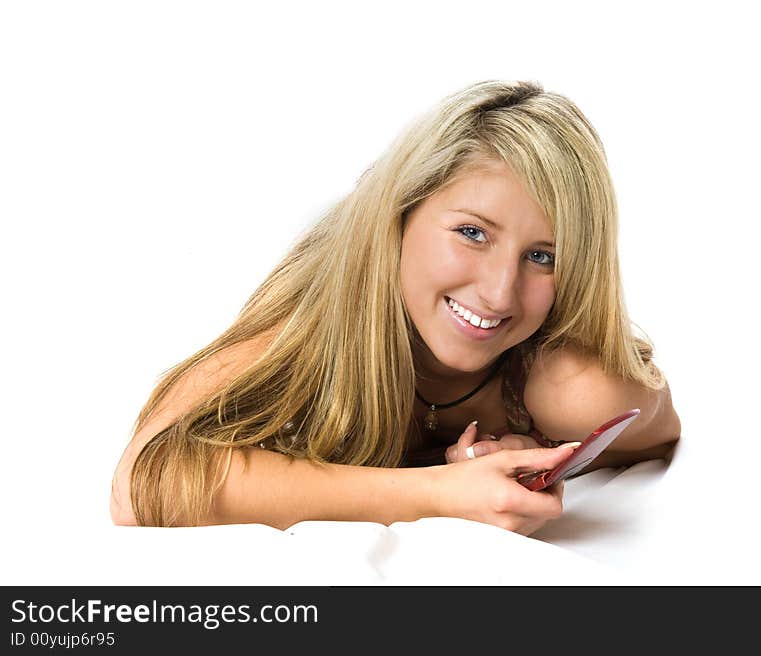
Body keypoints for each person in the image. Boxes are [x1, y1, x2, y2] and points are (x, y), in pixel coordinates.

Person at [110, 79, 681, 536]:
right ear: (401, 212)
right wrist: (437, 493)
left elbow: (654, 429)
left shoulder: (559, 382)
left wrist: (533, 451)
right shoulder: (321, 308)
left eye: (542, 256)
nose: (499, 292)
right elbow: (141, 484)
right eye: (472, 233)